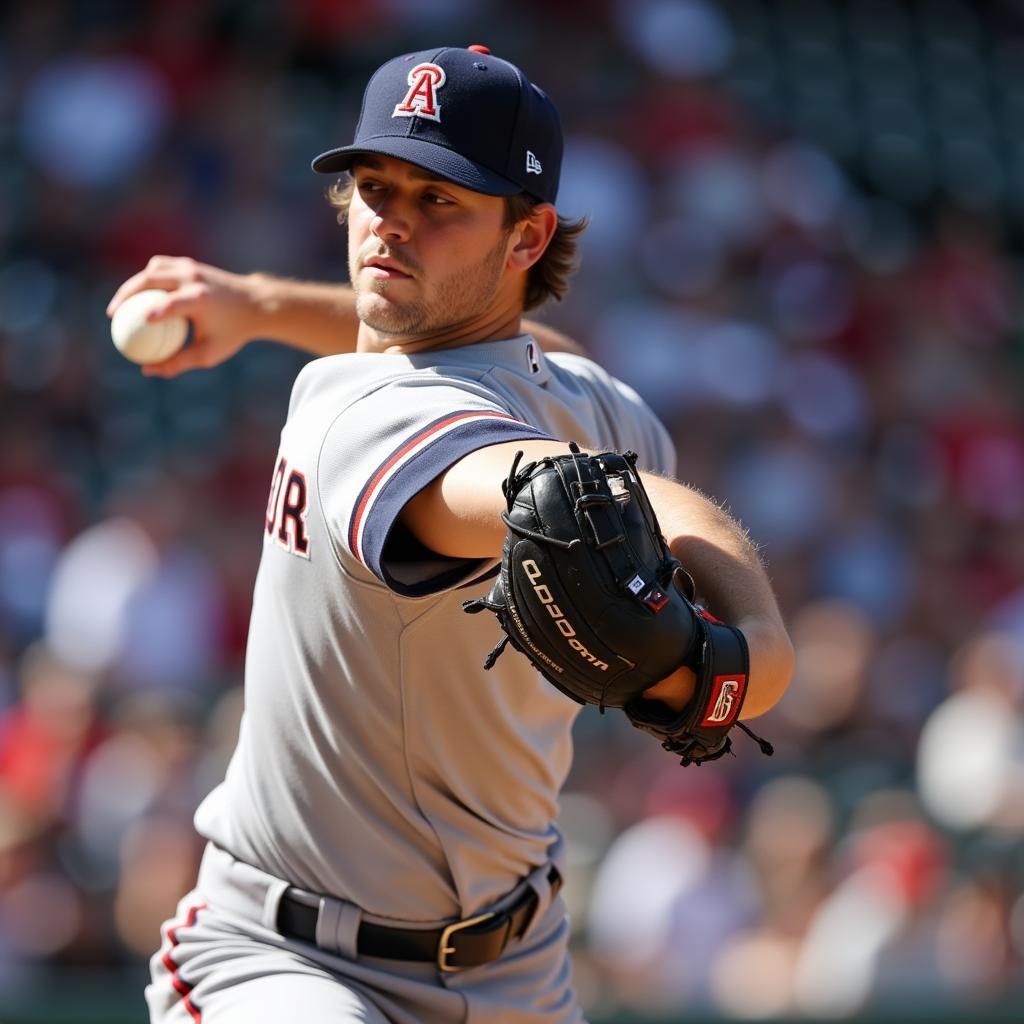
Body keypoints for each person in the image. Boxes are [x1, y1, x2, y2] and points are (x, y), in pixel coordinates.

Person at [110, 44, 794, 1024]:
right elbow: (539, 495)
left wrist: (261, 306)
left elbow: (561, 391)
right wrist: (745, 658)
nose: (389, 221)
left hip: (519, 968)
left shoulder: (580, 403)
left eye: (441, 201)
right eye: (375, 187)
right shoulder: (357, 410)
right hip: (286, 963)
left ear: (527, 238)